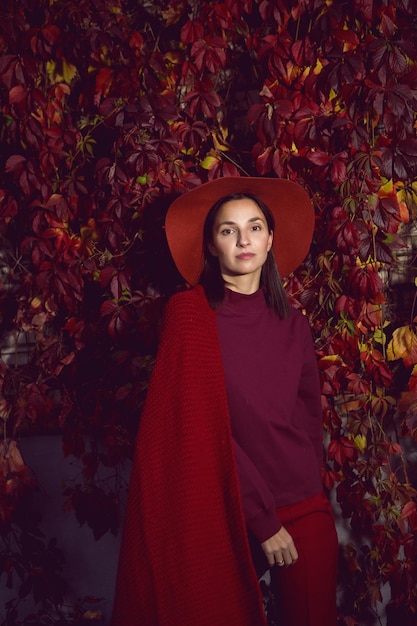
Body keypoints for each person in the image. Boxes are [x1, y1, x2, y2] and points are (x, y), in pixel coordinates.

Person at [110, 176, 338, 626]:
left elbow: (309, 418)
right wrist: (262, 517)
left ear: (271, 239)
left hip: (300, 501)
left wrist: (312, 495)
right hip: (221, 504)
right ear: (212, 246)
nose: (243, 239)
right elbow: (194, 428)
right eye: (228, 230)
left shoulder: (293, 323)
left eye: (254, 227)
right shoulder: (190, 316)